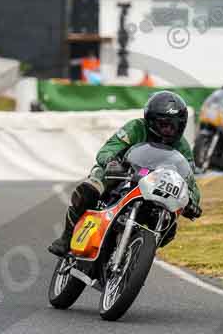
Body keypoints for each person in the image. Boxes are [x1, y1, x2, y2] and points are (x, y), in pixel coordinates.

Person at [48, 91, 202, 257]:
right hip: (123, 174)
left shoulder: (182, 146)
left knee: (169, 226)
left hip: (154, 187)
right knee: (89, 189)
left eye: (174, 126)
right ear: (150, 120)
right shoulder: (135, 127)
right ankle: (66, 237)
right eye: (163, 124)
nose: (168, 131)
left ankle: (135, 256)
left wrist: (192, 200)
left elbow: (189, 179)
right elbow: (107, 150)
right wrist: (112, 162)